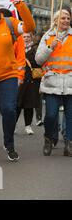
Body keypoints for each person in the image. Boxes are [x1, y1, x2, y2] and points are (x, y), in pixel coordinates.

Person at [0, 0, 35, 164]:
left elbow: (30, 26)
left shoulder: (10, 22)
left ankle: (9, 146)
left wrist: (20, 5)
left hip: (8, 76)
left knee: (9, 109)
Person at [35, 9, 72, 157]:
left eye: (68, 18)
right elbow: (38, 60)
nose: (66, 21)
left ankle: (69, 143)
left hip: (70, 80)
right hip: (52, 81)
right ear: (56, 20)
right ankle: (49, 138)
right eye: (63, 18)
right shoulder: (48, 36)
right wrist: (51, 48)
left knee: (70, 115)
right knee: (50, 115)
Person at [16, 32, 42, 135]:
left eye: (28, 37)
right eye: (24, 37)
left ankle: (28, 126)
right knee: (17, 105)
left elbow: (39, 63)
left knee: (29, 105)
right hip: (19, 80)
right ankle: (13, 125)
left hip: (32, 81)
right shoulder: (17, 48)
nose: (26, 38)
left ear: (31, 38)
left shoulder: (36, 49)